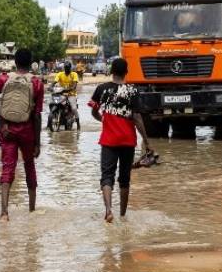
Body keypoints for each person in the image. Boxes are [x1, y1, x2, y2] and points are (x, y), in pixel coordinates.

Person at [0, 49, 44, 223]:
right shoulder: (37, 83)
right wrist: (37, 143)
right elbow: (37, 115)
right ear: (30, 63)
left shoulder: (4, 78)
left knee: (7, 168)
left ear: (15, 62)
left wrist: (2, 121)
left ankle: (4, 213)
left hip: (7, 130)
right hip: (27, 130)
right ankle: (32, 210)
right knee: (29, 166)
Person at [89, 58, 153, 223]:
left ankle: (108, 210)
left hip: (108, 140)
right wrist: (146, 142)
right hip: (127, 140)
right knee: (124, 179)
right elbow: (137, 118)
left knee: (107, 176)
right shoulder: (132, 91)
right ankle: (123, 215)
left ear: (111, 71)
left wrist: (103, 119)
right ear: (126, 72)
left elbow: (94, 111)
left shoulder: (101, 89)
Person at [52, 62, 81, 130]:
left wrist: (70, 89)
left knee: (74, 108)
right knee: (55, 102)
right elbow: (54, 82)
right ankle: (50, 122)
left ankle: (78, 124)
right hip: (62, 94)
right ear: (64, 68)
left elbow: (74, 85)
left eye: (68, 68)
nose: (66, 69)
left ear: (70, 68)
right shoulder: (60, 74)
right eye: (65, 68)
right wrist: (51, 86)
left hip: (71, 94)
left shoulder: (74, 74)